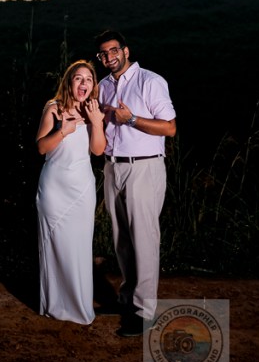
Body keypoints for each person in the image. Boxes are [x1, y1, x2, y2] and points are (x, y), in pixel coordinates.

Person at [95, 28, 176, 337]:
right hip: (113, 168)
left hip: (144, 168)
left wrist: (131, 119)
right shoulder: (102, 86)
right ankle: (128, 300)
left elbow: (169, 128)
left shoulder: (151, 82)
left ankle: (144, 311)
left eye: (114, 50)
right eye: (103, 53)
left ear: (126, 50)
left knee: (144, 239)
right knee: (122, 240)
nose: (109, 56)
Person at [35, 60, 106, 324]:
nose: (84, 83)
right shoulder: (53, 109)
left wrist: (97, 123)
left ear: (92, 86)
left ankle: (78, 307)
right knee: (54, 246)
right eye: (78, 78)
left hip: (82, 189)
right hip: (54, 188)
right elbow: (42, 147)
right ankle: (54, 304)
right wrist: (62, 131)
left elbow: (98, 151)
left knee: (78, 247)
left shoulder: (93, 112)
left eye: (88, 79)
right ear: (69, 82)